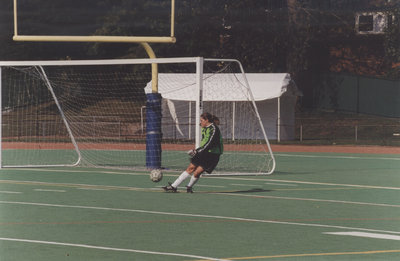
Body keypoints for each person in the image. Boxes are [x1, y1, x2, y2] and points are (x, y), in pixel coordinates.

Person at [163, 112, 223, 193]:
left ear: (207, 120)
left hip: (212, 154)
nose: (200, 122)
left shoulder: (214, 129)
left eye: (202, 120)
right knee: (190, 168)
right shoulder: (204, 126)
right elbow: (205, 142)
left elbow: (210, 143)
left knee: (197, 172)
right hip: (203, 151)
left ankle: (189, 187)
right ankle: (173, 186)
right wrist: (198, 151)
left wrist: (197, 151)